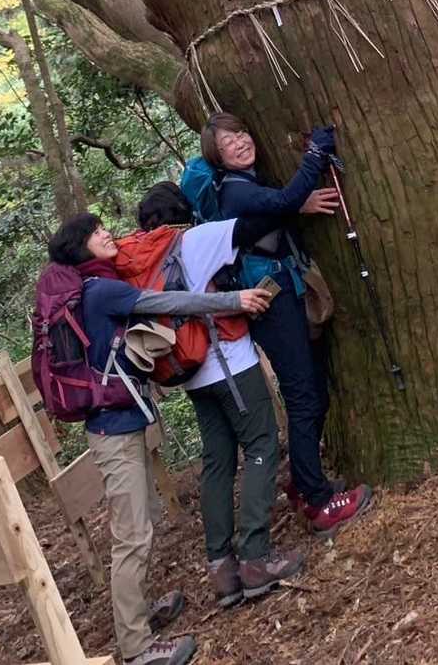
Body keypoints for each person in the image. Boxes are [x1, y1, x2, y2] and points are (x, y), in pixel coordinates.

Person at [45, 212, 272, 665]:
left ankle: (140, 613)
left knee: (141, 523)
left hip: (119, 426)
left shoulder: (90, 290)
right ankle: (137, 648)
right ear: (79, 247)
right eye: (95, 232)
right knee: (131, 536)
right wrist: (233, 300)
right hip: (113, 432)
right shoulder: (100, 291)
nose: (106, 233)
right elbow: (169, 301)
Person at [198, 114, 373, 535]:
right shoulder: (234, 189)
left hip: (282, 293)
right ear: (217, 157)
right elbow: (280, 203)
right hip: (271, 304)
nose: (240, 142)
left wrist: (297, 204)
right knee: (302, 395)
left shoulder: (247, 184)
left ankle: (302, 480)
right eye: (227, 142)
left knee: (313, 389)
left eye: (241, 133)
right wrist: (316, 152)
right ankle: (318, 501)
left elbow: (272, 216)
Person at [135, 182, 307, 608]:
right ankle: (255, 557)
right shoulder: (195, 239)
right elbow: (255, 224)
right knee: (262, 443)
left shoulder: (142, 259)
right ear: (183, 210)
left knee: (217, 462)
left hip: (191, 373)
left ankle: (222, 569)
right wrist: (300, 197)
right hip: (229, 363)